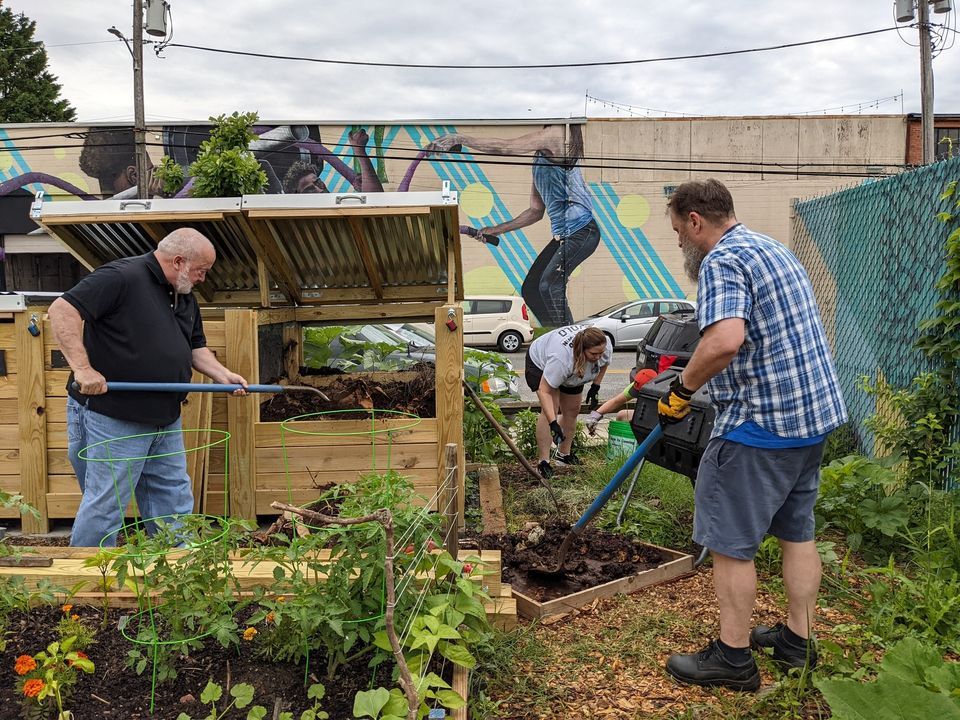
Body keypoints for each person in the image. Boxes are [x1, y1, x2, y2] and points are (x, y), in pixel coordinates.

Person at [657, 179, 846, 691]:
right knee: (798, 534)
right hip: (811, 420)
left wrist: (682, 389)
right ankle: (796, 641)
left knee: (731, 545)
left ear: (696, 221)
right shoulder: (772, 249)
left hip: (760, 426)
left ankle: (733, 660)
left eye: (678, 231)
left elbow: (723, 341)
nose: (679, 242)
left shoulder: (721, 261)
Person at [48, 229, 249, 547]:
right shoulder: (121, 277)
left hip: (165, 417)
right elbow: (62, 310)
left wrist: (222, 374)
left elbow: (195, 347)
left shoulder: (182, 293)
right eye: (201, 271)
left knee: (173, 498)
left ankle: (179, 573)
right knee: (106, 504)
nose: (202, 279)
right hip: (115, 414)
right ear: (180, 261)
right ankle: (87, 579)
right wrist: (83, 369)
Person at [428, 125, 600, 326]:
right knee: (531, 288)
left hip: (583, 231)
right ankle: (554, 334)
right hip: (566, 234)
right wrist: (495, 230)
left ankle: (571, 341)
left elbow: (505, 147)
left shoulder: (557, 134)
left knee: (549, 285)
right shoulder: (540, 160)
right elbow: (535, 211)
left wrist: (459, 139)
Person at [524, 325, 610, 478]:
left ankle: (563, 455)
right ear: (581, 350)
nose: (598, 357)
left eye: (600, 353)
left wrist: (595, 386)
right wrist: (553, 423)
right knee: (551, 409)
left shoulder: (604, 344)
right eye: (594, 354)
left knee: (572, 409)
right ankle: (543, 462)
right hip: (540, 361)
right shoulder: (561, 360)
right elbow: (544, 391)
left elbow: (604, 364)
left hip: (572, 365)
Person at [585, 367, 659, 434]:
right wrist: (595, 416)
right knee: (621, 415)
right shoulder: (638, 384)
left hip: (662, 419)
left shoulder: (662, 390)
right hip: (645, 414)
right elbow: (616, 401)